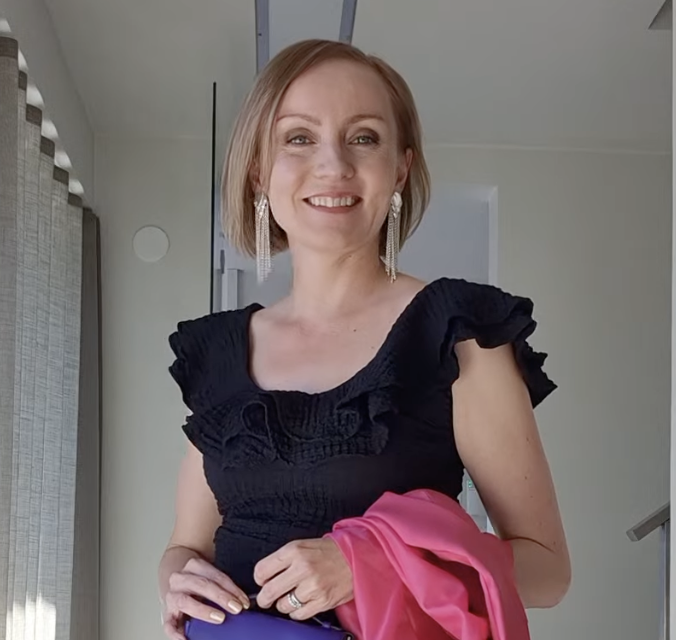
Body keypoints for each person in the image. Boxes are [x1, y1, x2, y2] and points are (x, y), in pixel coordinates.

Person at [157, 38, 571, 640]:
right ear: (258, 170)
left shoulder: (457, 335)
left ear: (400, 167)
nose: (334, 165)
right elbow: (186, 547)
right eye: (299, 137)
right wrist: (175, 580)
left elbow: (548, 572)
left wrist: (376, 564)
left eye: (364, 137)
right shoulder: (218, 351)